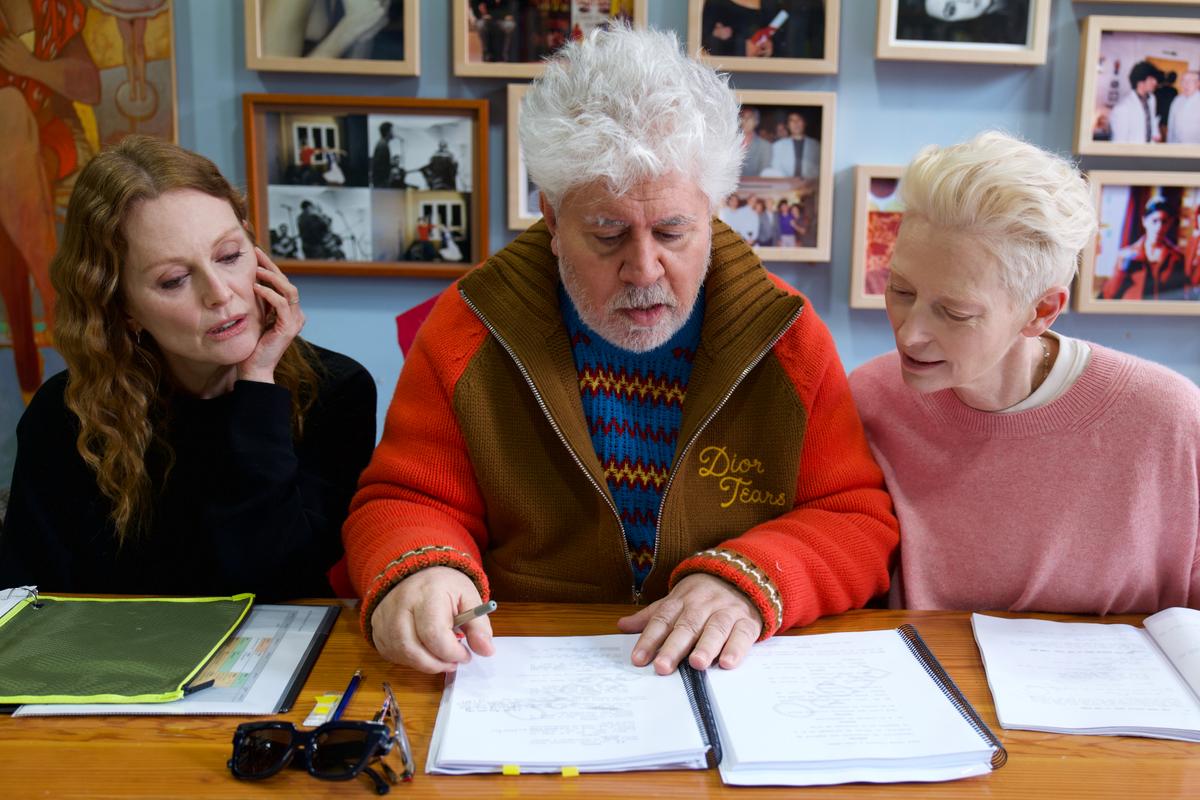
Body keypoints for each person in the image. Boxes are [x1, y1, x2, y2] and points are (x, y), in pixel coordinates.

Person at [343, 26, 897, 676]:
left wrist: (747, 581)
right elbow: (405, 501)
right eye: (607, 233)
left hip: (723, 669)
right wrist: (423, 569)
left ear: (714, 211)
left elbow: (854, 517)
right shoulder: (468, 329)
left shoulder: (786, 335)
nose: (643, 269)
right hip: (526, 663)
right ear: (551, 218)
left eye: (672, 230)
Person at [0, 136, 377, 599]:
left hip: (274, 662)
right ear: (123, 307)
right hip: (108, 663)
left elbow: (278, 579)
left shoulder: (337, 390)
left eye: (229, 256)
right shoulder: (66, 413)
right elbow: (25, 592)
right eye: (174, 280)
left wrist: (257, 386)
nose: (220, 293)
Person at [850, 131, 1200, 615]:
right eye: (901, 291)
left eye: (954, 313)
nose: (909, 335)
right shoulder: (870, 398)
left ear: (1041, 311)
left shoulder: (1167, 417)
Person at [1101, 196, 1192, 301]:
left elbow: (1181, 294)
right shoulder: (1126, 255)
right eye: (1154, 221)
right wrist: (1121, 271)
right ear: (1144, 221)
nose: (1159, 227)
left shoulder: (1177, 257)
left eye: (1164, 222)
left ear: (1169, 223)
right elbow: (1109, 295)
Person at [1109, 60, 1163, 144]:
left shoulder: (1152, 99)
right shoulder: (1123, 108)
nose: (1155, 82)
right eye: (1151, 79)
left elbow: (1151, 121)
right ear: (1140, 81)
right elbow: (1119, 142)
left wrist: (1155, 133)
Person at [768, 111, 820, 179]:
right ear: (788, 125)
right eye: (792, 120)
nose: (796, 123)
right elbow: (776, 168)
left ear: (804, 123)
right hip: (785, 184)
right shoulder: (777, 146)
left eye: (799, 119)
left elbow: (819, 169)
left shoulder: (816, 145)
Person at [1167, 70, 1200, 145]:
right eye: (1183, 81)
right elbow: (1171, 125)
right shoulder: (1177, 100)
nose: (1186, 84)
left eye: (1190, 81)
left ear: (1198, 83)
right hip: (1176, 146)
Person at [737, 107, 772, 177]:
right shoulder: (730, 142)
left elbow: (764, 173)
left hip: (755, 186)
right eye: (743, 117)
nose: (746, 120)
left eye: (750, 117)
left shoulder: (765, 146)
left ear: (756, 122)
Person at [370, 121, 394, 187]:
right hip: (381, 183)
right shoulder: (382, 145)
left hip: (381, 181)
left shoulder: (382, 144)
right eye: (392, 131)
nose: (393, 133)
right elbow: (379, 166)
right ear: (387, 132)